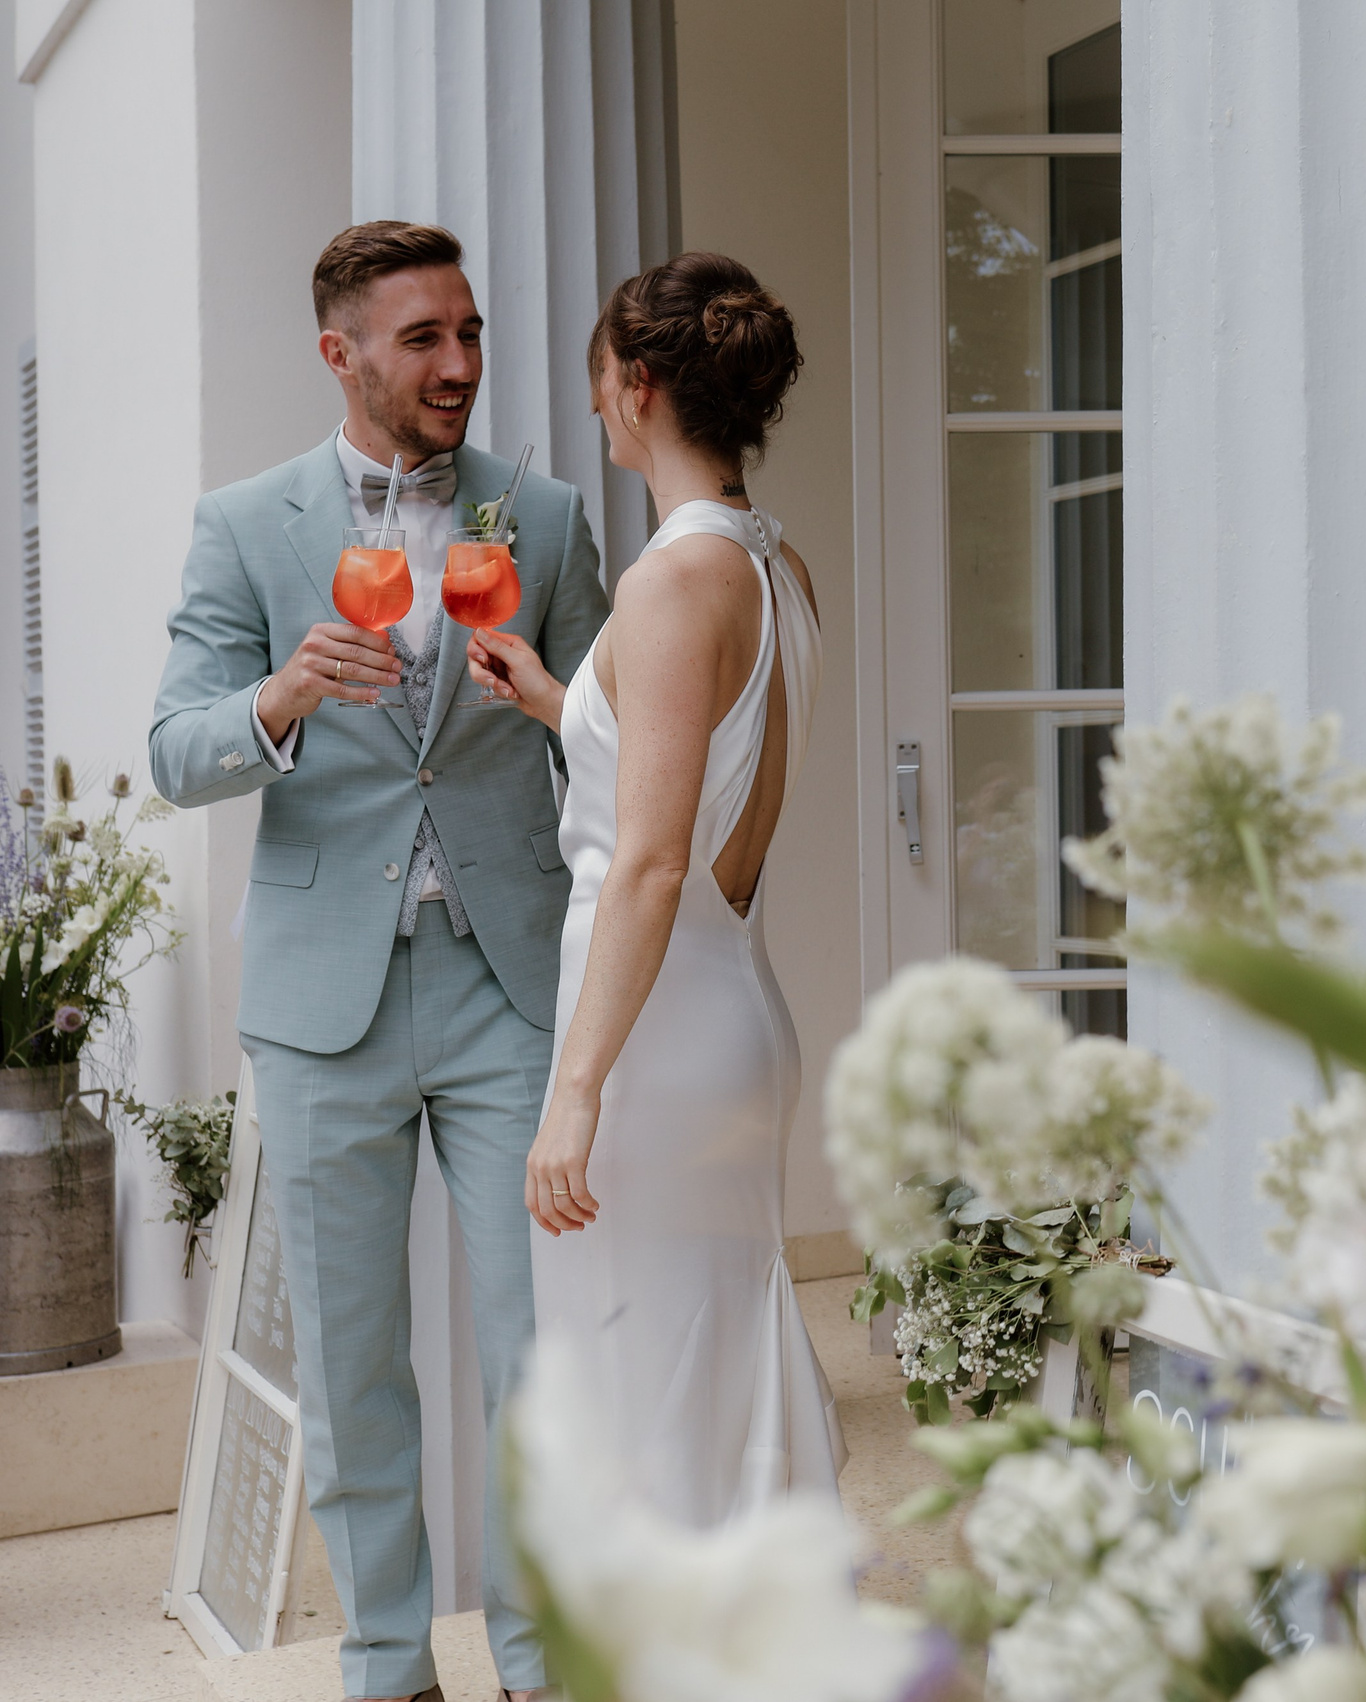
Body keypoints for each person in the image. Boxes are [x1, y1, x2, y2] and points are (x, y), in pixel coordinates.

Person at [150, 221, 608, 1702]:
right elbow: (174, 750)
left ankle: (539, 1664)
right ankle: (388, 1667)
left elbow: (611, 739)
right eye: (425, 339)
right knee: (355, 1367)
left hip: (508, 980)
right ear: (340, 351)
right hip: (321, 995)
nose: (461, 364)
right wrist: (280, 694)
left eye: (469, 332)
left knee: (540, 1349)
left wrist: (547, 704)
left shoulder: (538, 512)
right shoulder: (244, 522)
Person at [466, 251, 842, 1527]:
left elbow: (653, 855)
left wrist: (573, 1092)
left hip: (656, 1046)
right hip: (720, 1007)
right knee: (703, 1381)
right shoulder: (773, 566)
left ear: (635, 385)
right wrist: (557, 702)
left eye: (595, 384)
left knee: (649, 1415)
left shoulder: (673, 580)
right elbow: (691, 774)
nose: (589, 411)